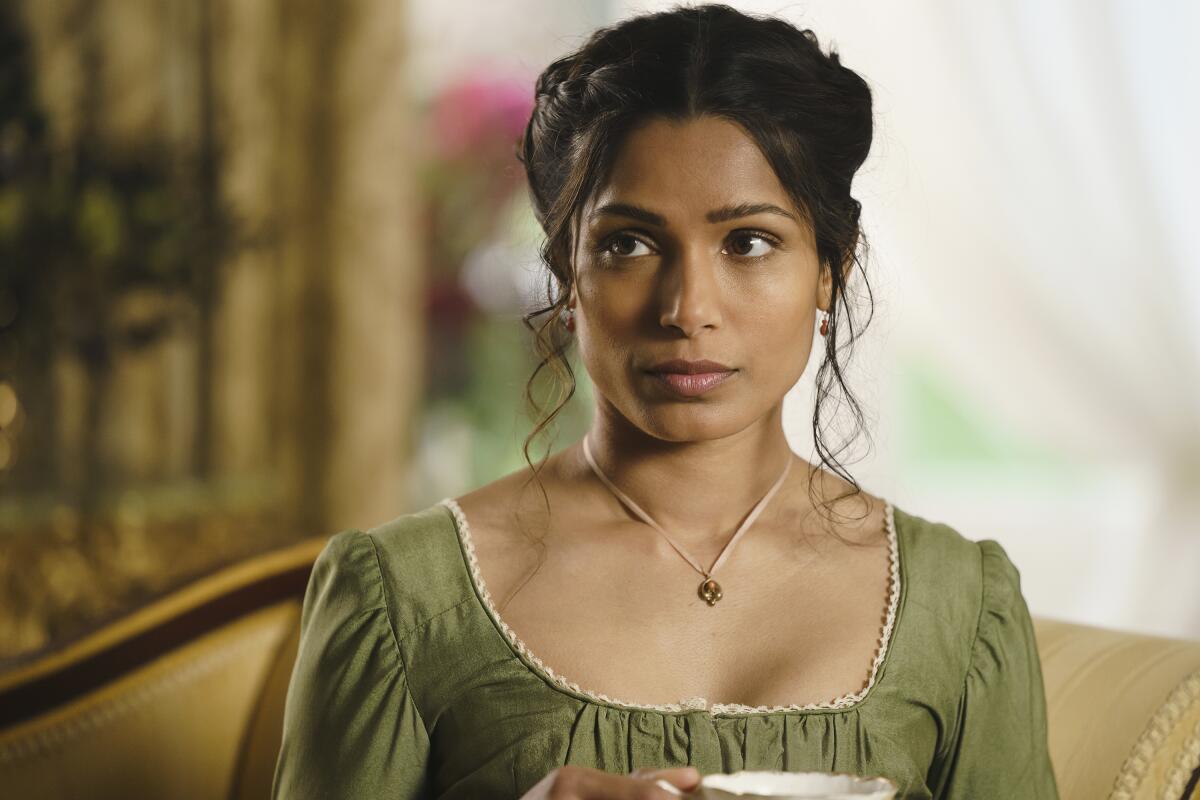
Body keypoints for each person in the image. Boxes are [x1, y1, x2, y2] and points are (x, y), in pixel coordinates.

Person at [271, 4, 1060, 798]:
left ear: (830, 268)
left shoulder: (961, 604)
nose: (687, 308)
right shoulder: (402, 595)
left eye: (748, 242)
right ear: (566, 273)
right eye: (629, 244)